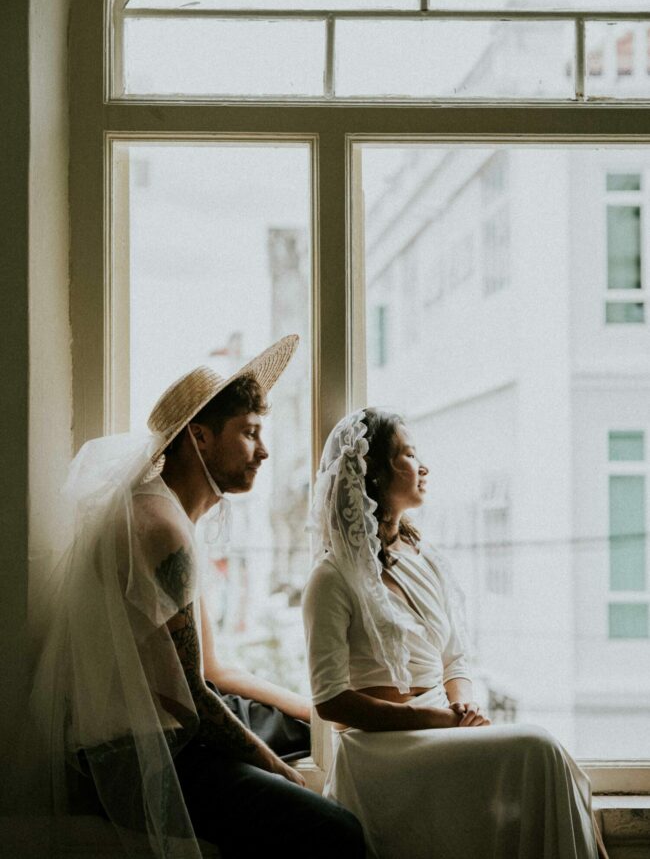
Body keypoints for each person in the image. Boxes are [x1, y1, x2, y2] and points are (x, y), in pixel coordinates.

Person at [13, 335, 364, 859]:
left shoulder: (169, 516)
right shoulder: (160, 530)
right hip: (140, 754)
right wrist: (284, 771)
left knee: (303, 732)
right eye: (249, 433)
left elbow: (215, 671)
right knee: (337, 832)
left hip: (170, 731)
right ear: (199, 438)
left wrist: (316, 715)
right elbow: (193, 700)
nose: (263, 450)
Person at [302, 407, 607, 859]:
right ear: (376, 476)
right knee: (539, 747)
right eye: (407, 455)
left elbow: (455, 660)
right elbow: (330, 701)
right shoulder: (331, 577)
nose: (423, 466)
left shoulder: (429, 559)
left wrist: (463, 704)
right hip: (381, 752)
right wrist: (438, 719)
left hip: (442, 731)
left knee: (549, 758)